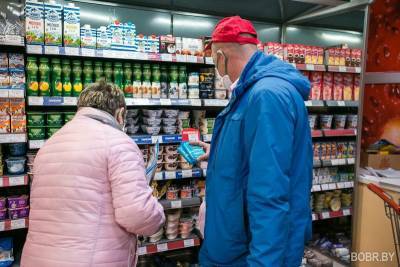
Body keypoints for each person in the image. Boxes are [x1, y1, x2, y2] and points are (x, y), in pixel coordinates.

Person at [195, 16, 313, 267]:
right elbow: (255, 159)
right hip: (236, 245)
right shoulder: (253, 91)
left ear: (221, 57)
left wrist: (263, 262)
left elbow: (269, 193)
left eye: (214, 61)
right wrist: (218, 153)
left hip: (247, 252)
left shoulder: (266, 96)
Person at [21, 81, 165, 267]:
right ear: (120, 114)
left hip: (37, 259)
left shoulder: (49, 145)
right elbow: (137, 215)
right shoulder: (119, 143)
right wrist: (158, 215)